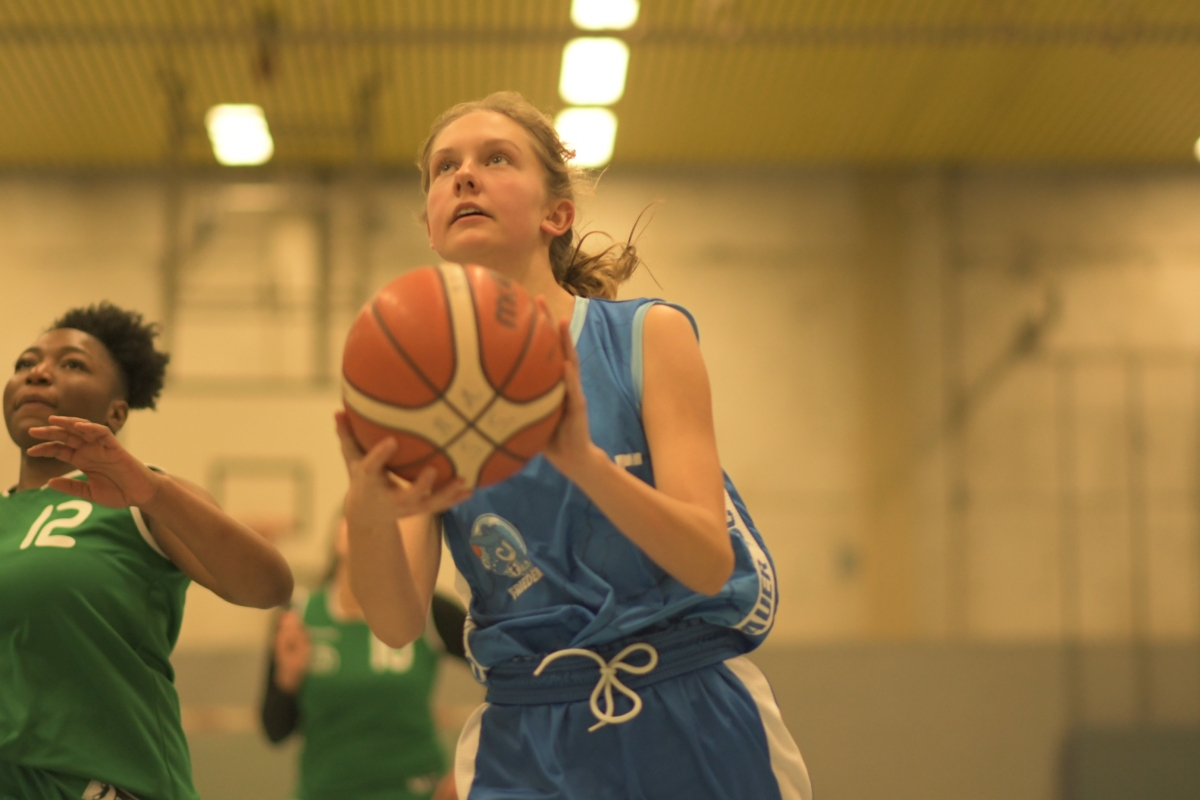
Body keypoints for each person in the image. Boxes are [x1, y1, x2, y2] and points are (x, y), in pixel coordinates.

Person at [334, 91, 811, 800]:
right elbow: (397, 624)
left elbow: (709, 562)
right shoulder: (417, 394)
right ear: (431, 227)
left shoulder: (647, 337)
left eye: (497, 159)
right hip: (527, 731)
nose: (464, 177)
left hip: (689, 707)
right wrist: (368, 508)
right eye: (444, 168)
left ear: (556, 214)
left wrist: (583, 464)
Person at [0, 302, 294, 800]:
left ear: (116, 412)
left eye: (72, 364)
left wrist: (154, 493)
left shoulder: (143, 499)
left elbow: (269, 586)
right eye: (25, 363)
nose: (38, 372)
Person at [261, 517, 467, 800]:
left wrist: (470, 767)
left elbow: (505, 668)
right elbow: (275, 731)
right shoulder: (298, 616)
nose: (366, 527)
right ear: (336, 536)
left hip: (413, 790)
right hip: (325, 792)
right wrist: (288, 678)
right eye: (354, 517)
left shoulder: (428, 610)